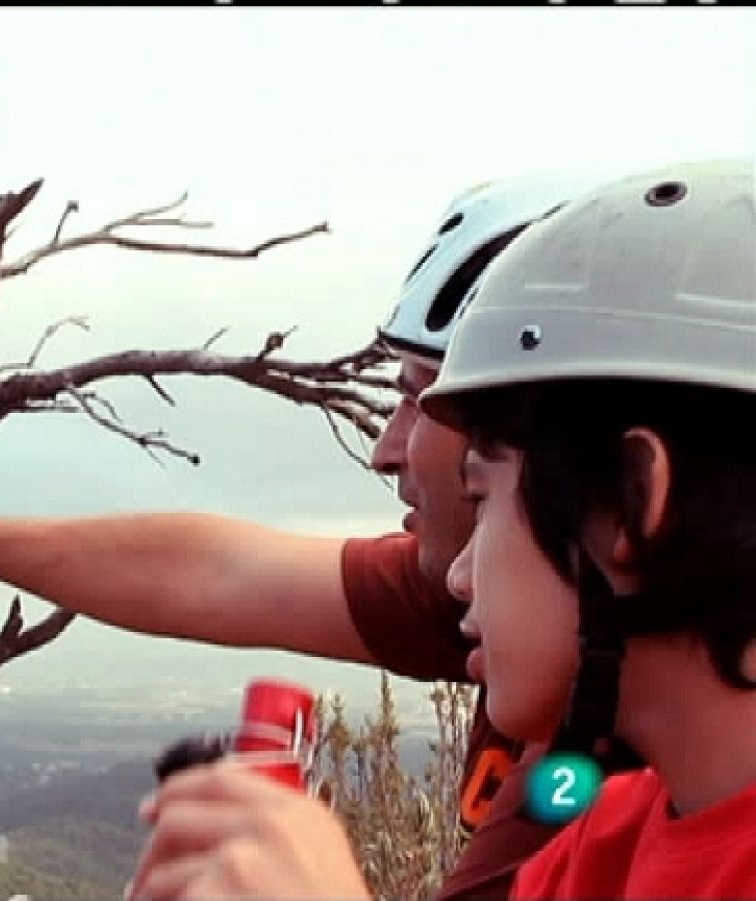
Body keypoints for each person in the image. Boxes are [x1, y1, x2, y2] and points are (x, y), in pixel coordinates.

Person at [0, 171, 609, 898]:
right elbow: (219, 572)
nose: (385, 446)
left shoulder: (674, 784)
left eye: (416, 398)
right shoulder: (532, 637)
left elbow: (223, 573)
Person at [128, 157, 756, 899]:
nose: (459, 574)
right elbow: (215, 573)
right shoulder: (602, 848)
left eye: (482, 494)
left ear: (627, 501)